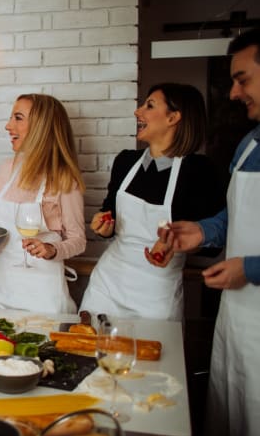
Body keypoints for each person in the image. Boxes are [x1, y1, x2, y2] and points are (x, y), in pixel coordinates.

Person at [164, 28, 260, 436]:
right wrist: (205, 230)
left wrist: (252, 268)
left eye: (243, 79)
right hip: (239, 320)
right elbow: (236, 214)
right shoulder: (250, 144)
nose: (235, 92)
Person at [80, 83, 225, 322]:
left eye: (149, 105)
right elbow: (110, 213)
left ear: (173, 117)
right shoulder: (126, 162)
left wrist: (176, 243)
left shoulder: (199, 170)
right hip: (108, 283)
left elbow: (213, 245)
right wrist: (104, 224)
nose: (138, 111)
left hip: (157, 292)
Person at [0, 94, 86, 314]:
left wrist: (51, 249)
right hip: (1, 288)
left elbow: (78, 240)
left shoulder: (64, 179)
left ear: (41, 126)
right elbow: (3, 232)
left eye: (18, 118)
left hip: (43, 295)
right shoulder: (6, 169)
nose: (8, 126)